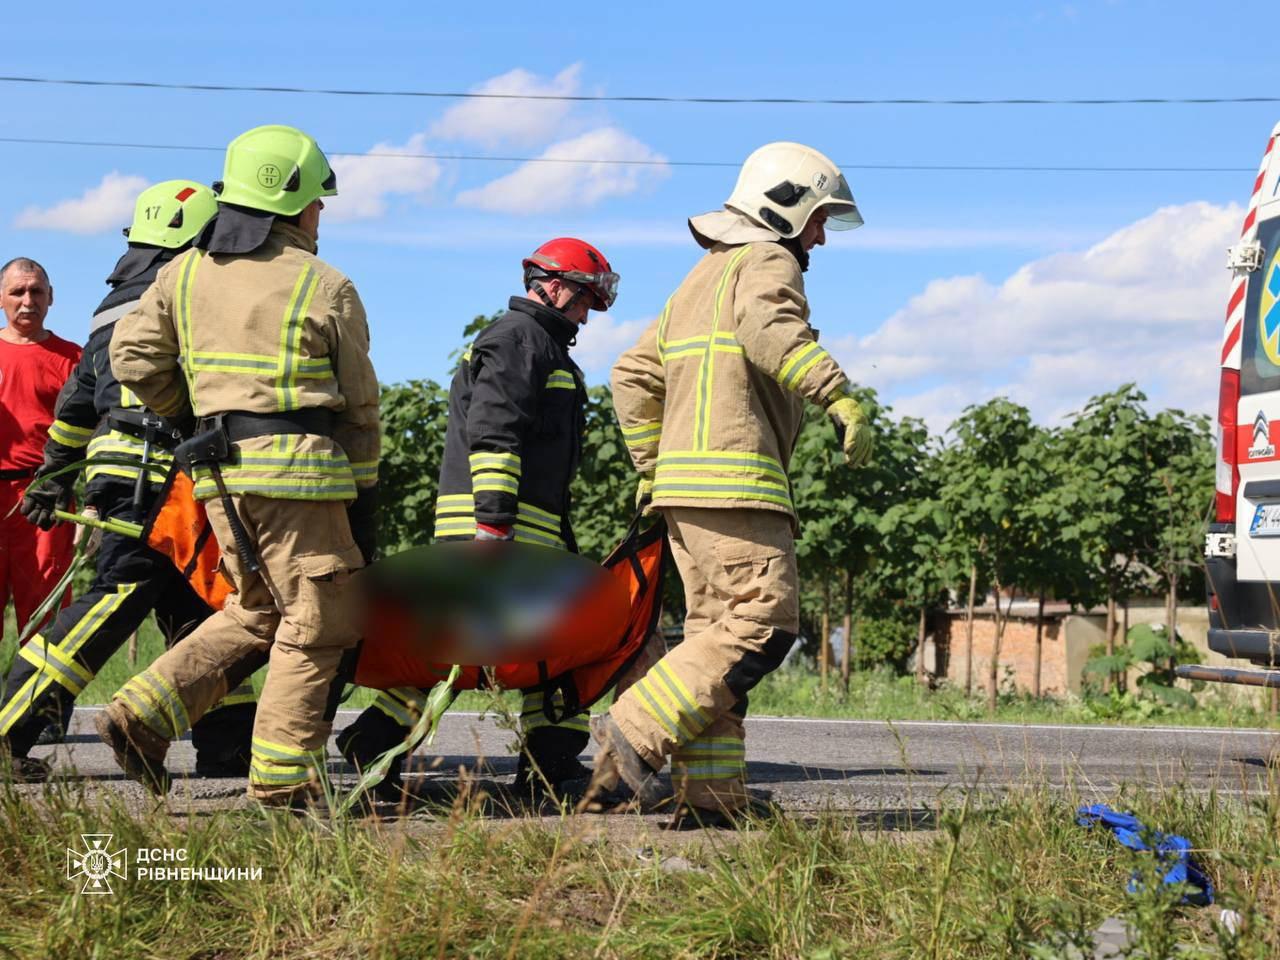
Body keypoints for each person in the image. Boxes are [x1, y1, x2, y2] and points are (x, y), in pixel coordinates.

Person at [98, 124, 380, 809]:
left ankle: (143, 713)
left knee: (256, 608)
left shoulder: (184, 270)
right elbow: (360, 406)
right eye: (317, 202)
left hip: (219, 476)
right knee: (320, 623)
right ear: (291, 202)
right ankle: (283, 788)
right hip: (302, 479)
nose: (320, 216)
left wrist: (196, 415)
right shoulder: (325, 283)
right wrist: (364, 486)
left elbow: (129, 357)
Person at [596, 142, 874, 828]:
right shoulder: (767, 260)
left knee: (712, 642)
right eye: (817, 219)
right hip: (737, 485)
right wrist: (837, 395)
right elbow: (768, 327)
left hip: (686, 498)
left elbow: (632, 375)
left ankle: (712, 800)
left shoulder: (700, 278)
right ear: (784, 206)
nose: (818, 237)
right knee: (763, 625)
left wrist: (652, 468)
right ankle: (632, 731)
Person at [336, 237, 619, 803]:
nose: (588, 314)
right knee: (496, 649)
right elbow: (494, 430)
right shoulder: (518, 340)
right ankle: (382, 744)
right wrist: (491, 525)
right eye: (585, 298)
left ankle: (545, 769)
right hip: (496, 528)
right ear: (555, 286)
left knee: (530, 649)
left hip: (526, 527)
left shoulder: (541, 344)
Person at [1, 182, 256, 783]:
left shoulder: (116, 299)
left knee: (198, 609)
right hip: (160, 478)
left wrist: (54, 474)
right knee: (117, 598)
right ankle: (11, 726)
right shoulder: (190, 290)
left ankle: (226, 747)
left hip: (127, 474)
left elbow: (77, 401)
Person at [0, 259, 80, 638]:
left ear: (51, 298)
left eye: (36, 291)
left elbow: (95, 433)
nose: (27, 300)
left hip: (45, 498)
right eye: (17, 291)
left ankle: (42, 699)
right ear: (1, 298)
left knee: (46, 613)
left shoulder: (74, 359)